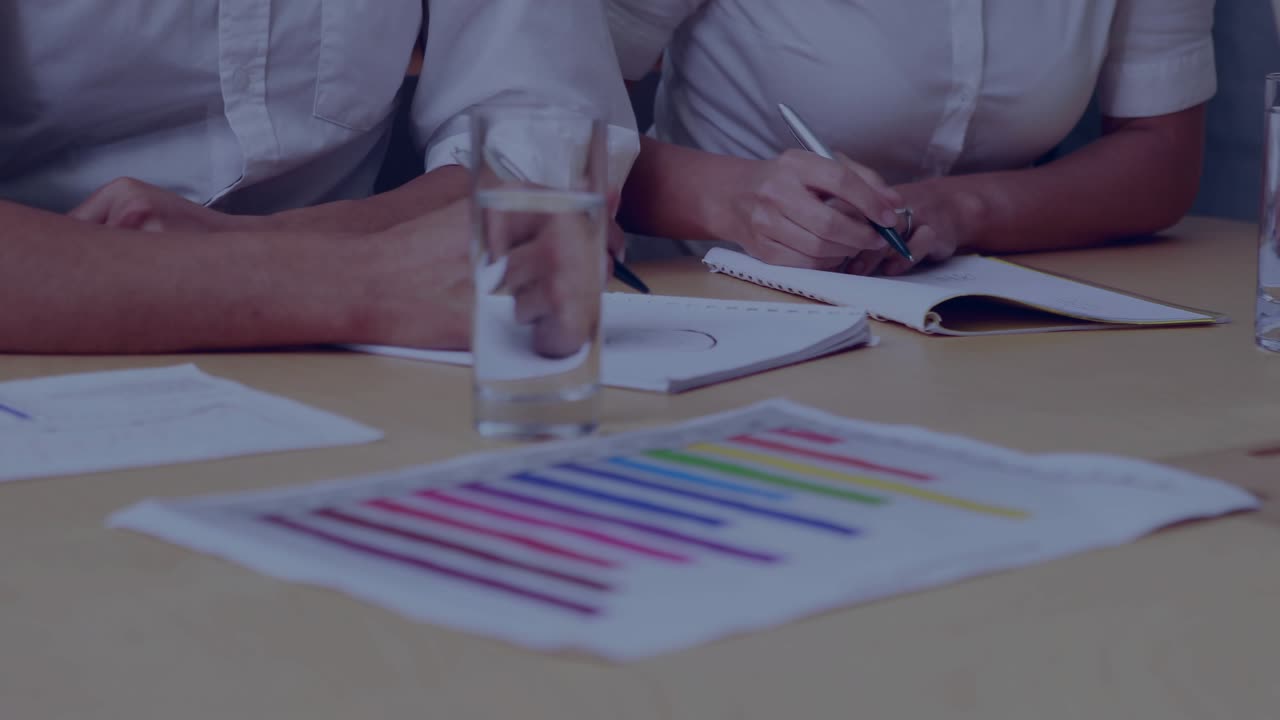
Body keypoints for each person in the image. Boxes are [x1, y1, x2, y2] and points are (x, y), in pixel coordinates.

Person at [0, 0, 638, 353]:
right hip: (47, 358)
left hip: (370, 357)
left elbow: (541, 133)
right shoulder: (370, 286)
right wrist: (355, 283)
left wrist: (255, 248)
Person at [607, 0, 1215, 276]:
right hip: (707, 304)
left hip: (983, 324)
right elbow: (535, 148)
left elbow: (1160, 152)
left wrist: (958, 209)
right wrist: (732, 199)